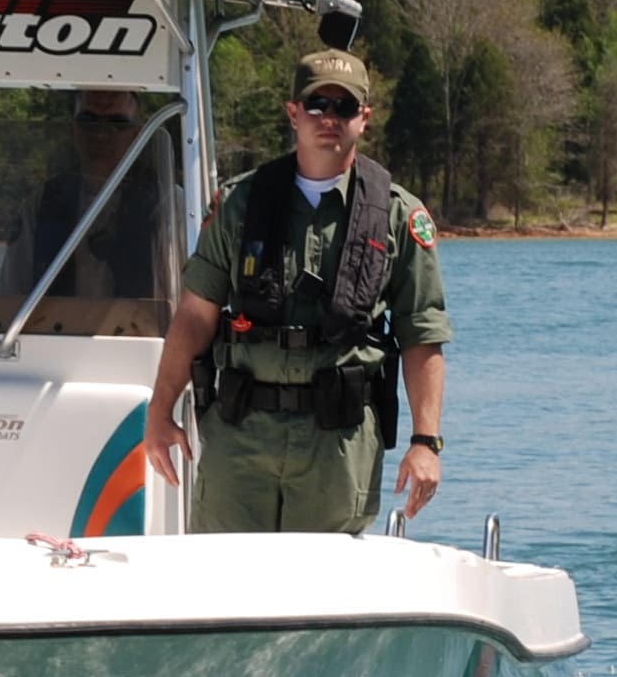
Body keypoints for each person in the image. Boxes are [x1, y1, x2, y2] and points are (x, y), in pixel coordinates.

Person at [141, 50, 447, 534]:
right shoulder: (240, 205)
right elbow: (195, 316)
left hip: (338, 447)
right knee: (221, 581)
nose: (330, 118)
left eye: (344, 107)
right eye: (317, 104)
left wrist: (425, 442)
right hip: (241, 439)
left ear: (364, 119)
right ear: (293, 113)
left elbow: (421, 335)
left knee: (324, 593)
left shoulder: (397, 217)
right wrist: (159, 414)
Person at [4, 88, 167, 307]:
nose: (101, 134)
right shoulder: (40, 205)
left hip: (141, 337)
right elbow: (9, 298)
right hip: (52, 337)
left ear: (137, 135)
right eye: (88, 121)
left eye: (117, 123)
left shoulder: (166, 205)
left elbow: (184, 304)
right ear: (73, 129)